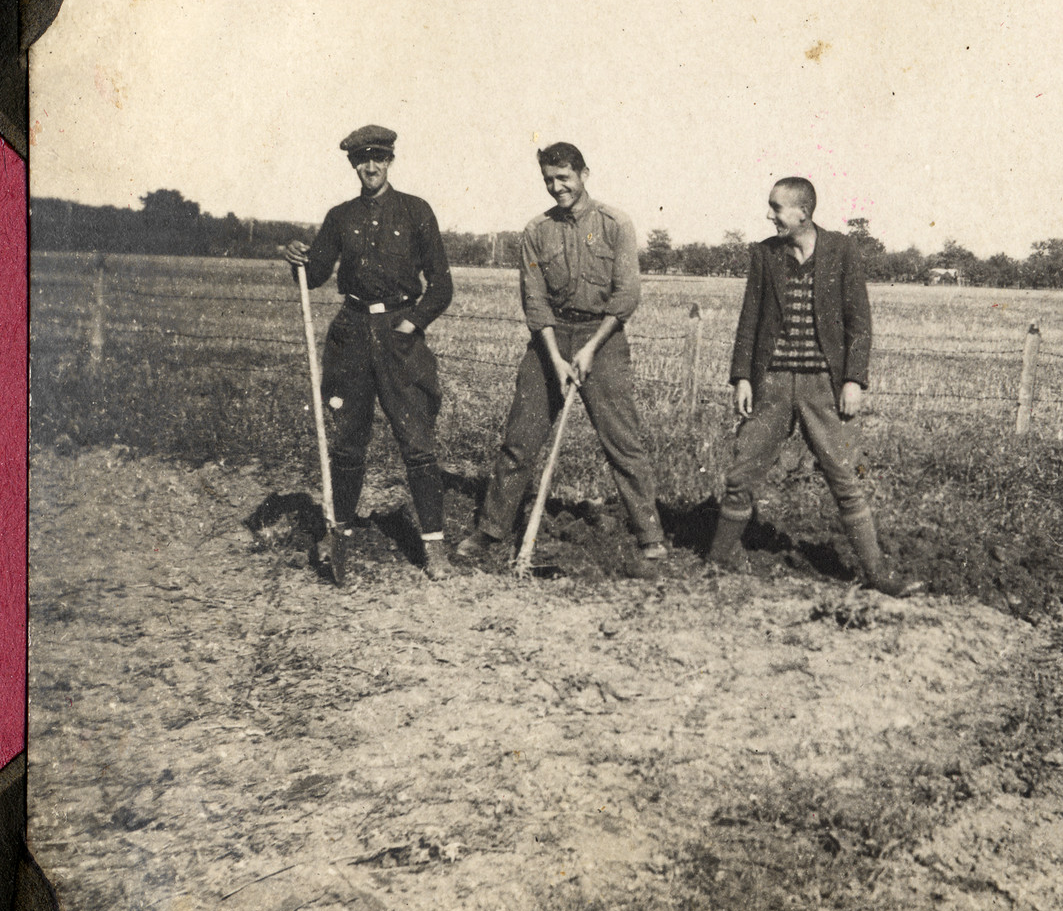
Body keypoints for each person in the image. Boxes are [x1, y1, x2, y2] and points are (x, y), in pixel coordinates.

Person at [708, 176, 920, 597]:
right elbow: (749, 319)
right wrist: (743, 377)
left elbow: (859, 321)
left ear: (803, 212)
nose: (769, 215)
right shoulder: (764, 255)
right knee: (741, 473)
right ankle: (717, 563)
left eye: (777, 207)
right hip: (771, 384)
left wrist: (854, 380)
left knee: (844, 478)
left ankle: (876, 574)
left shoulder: (841, 251)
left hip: (823, 387)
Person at [456, 143, 667, 564]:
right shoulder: (536, 231)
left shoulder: (615, 224)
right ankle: (492, 529)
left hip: (602, 339)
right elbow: (534, 300)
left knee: (622, 443)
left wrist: (589, 349)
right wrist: (553, 358)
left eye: (564, 178)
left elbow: (627, 295)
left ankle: (649, 534)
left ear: (584, 173)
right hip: (550, 340)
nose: (557, 188)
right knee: (520, 440)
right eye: (549, 180)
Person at [282, 124, 454, 580]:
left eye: (378, 157)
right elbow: (315, 274)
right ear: (353, 165)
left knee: (416, 443)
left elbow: (441, 287)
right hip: (352, 335)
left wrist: (410, 324)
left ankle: (434, 546)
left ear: (391, 159)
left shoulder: (416, 211)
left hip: (399, 336)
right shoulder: (340, 216)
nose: (370, 166)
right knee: (347, 442)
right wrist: (298, 259)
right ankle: (338, 530)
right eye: (362, 160)